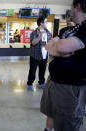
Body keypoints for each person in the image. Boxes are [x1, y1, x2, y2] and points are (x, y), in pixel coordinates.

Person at [41, 0, 86, 130]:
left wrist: (58, 48)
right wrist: (63, 52)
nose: (69, 10)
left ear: (77, 7)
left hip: (71, 87)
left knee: (67, 123)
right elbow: (50, 47)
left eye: (71, 7)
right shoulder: (67, 29)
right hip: (53, 80)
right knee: (51, 114)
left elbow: (59, 45)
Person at [27, 16, 52, 91]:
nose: (47, 23)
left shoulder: (48, 33)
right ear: (41, 23)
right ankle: (30, 84)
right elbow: (33, 43)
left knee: (42, 70)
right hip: (35, 55)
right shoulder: (34, 33)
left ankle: (41, 83)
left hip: (44, 55)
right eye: (46, 22)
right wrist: (40, 36)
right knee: (32, 71)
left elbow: (50, 42)